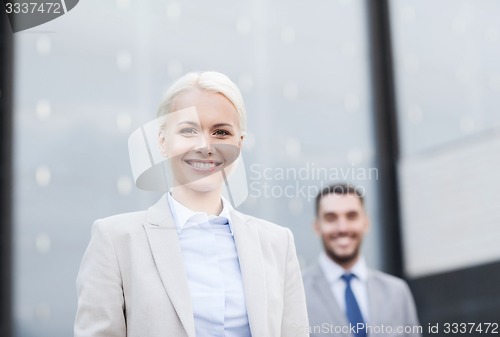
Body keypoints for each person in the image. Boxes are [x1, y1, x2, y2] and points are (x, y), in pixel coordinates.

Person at [74, 71, 309, 337]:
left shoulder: (278, 243)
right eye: (188, 130)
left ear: (239, 144)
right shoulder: (115, 240)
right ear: (162, 141)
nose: (205, 145)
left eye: (221, 132)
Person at [303, 183, 421, 337]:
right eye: (331, 218)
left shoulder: (396, 293)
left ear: (366, 222)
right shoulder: (298, 292)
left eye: (351, 216)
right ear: (317, 227)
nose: (342, 228)